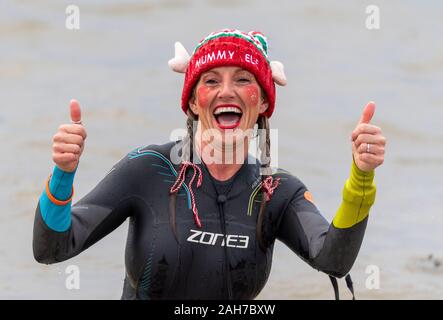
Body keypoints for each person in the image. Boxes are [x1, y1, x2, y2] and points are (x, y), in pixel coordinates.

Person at [33, 29, 386, 300]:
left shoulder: (277, 191)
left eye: (243, 79)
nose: (227, 91)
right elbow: (51, 248)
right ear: (192, 103)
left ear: (262, 102)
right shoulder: (148, 170)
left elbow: (333, 261)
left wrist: (362, 176)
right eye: (212, 80)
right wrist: (63, 172)